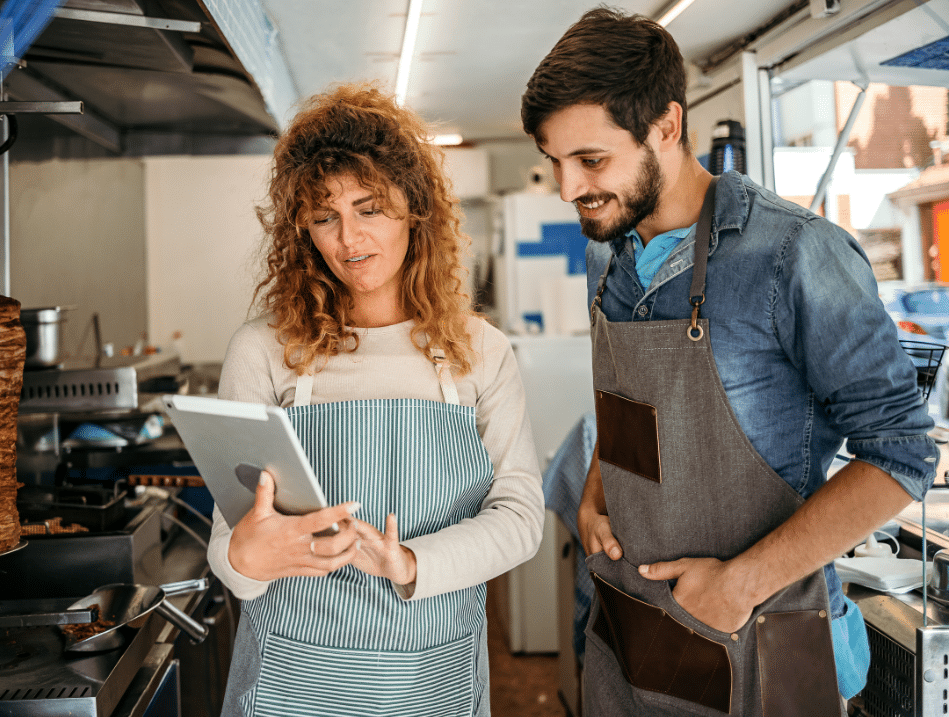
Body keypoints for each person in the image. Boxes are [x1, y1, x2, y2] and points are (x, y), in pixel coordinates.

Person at [522, 7, 937, 716]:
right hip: (635, 630)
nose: (568, 189)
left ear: (667, 126)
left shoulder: (794, 256)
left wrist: (740, 584)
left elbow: (900, 453)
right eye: (554, 162)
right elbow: (629, 404)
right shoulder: (607, 254)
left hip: (766, 636)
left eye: (591, 160)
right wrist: (595, 490)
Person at [206, 83, 545, 717]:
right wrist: (246, 558)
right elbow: (231, 544)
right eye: (325, 216)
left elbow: (522, 517)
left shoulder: (479, 351)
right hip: (293, 677)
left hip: (431, 676)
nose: (349, 238)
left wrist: (412, 561)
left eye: (370, 208)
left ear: (416, 211)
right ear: (303, 228)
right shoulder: (263, 350)